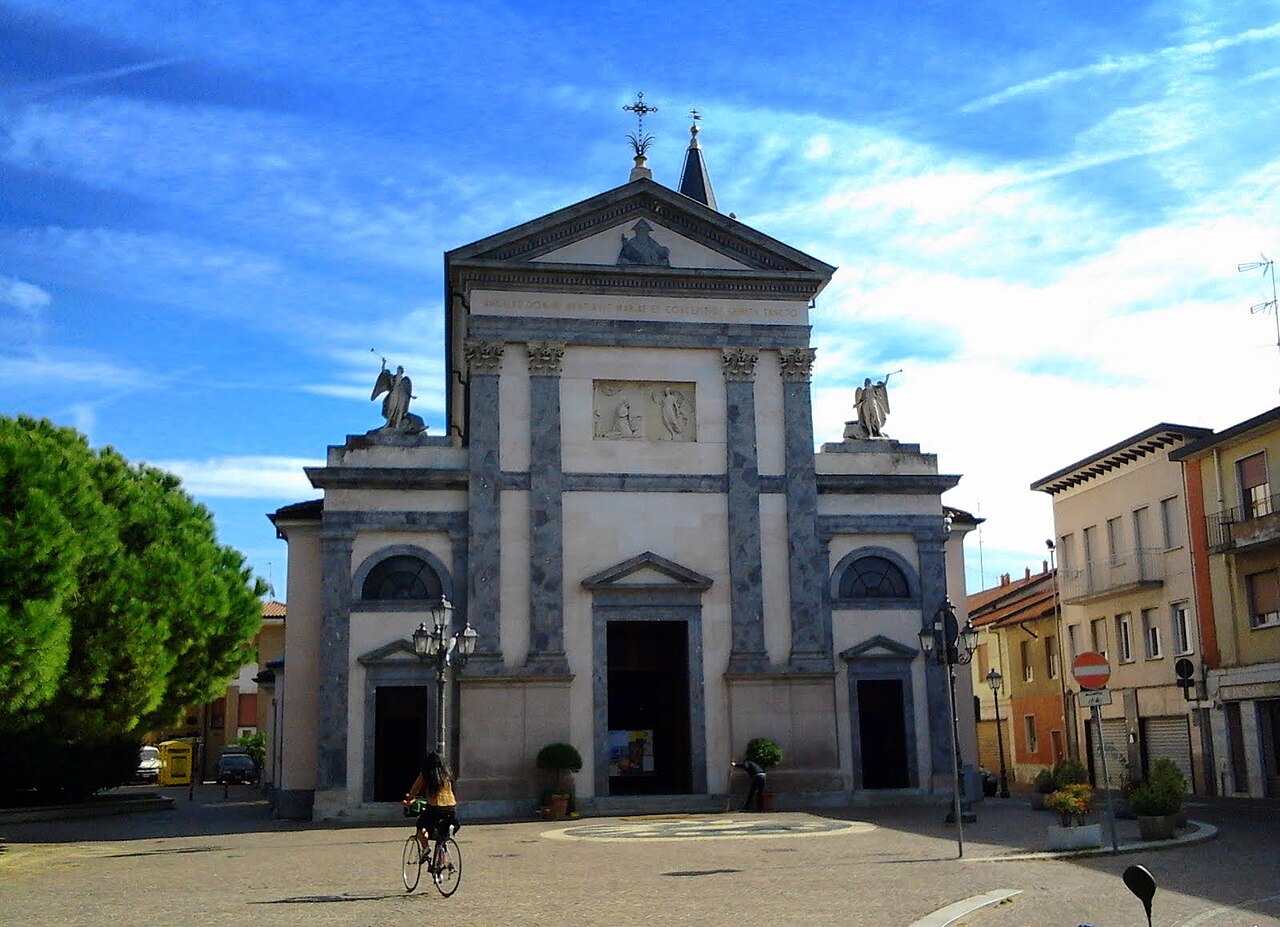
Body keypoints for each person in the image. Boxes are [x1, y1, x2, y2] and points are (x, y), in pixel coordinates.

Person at [402, 752, 460, 855]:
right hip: (451, 808)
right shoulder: (447, 773)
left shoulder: (427, 773)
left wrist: (409, 800)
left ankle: (426, 847)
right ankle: (443, 861)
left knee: (421, 825)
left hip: (435, 807)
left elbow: (415, 788)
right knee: (442, 835)